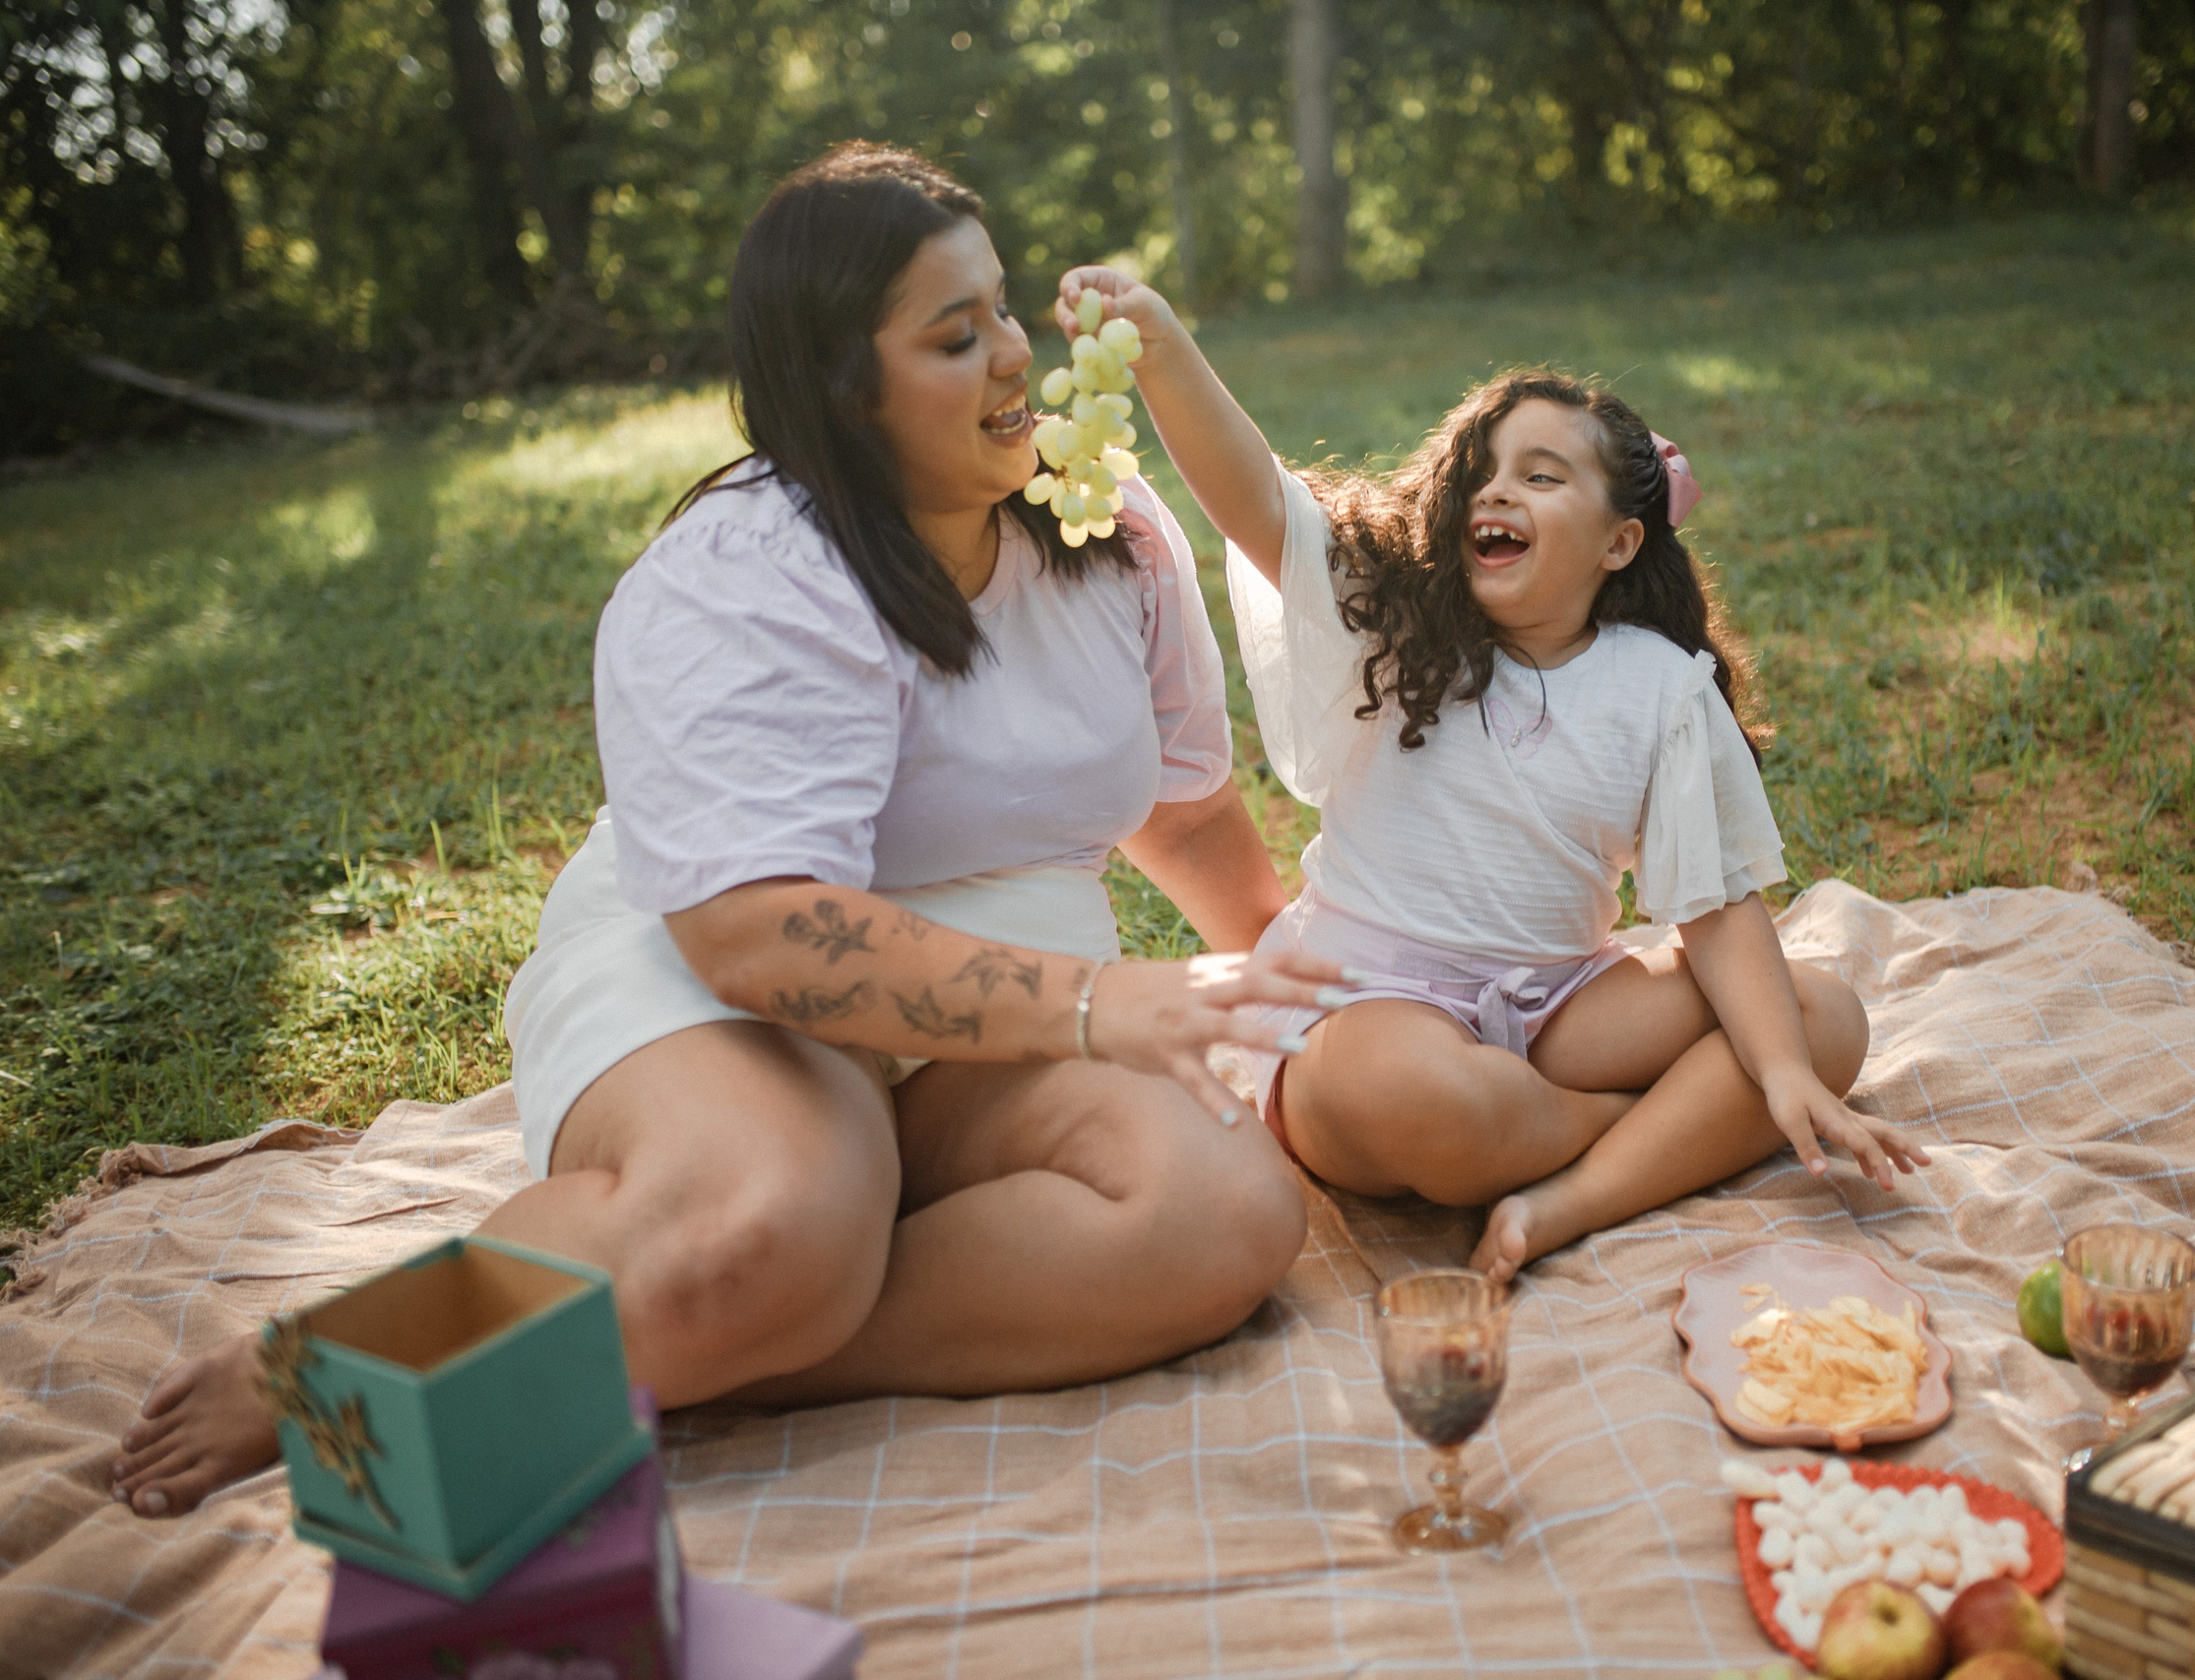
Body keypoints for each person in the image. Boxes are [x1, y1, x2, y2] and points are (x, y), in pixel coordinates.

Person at [107, 144, 1351, 1519]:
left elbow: (1183, 809)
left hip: (984, 1019)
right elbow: (757, 937)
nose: (1015, 355)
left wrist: (1308, 988)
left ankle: (709, 1346)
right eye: (955, 336)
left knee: (1219, 1212)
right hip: (723, 981)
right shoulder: (742, 572)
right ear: (839, 387)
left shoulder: (1106, 527)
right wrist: (1099, 1003)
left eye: (1002, 308)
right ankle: (363, 1365)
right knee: (762, 1225)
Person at [1046, 266, 1928, 1285]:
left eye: (1542, 477)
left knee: (1821, 1024)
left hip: (1560, 1008)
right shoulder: (1395, 615)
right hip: (1365, 1007)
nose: (1498, 491)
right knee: (1416, 1096)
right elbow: (1252, 494)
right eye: (1482, 473)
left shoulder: (1660, 689)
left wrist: (1777, 1069)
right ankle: (1647, 1125)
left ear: (1619, 542)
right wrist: (1159, 345)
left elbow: (1719, 909)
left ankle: (1569, 1197)